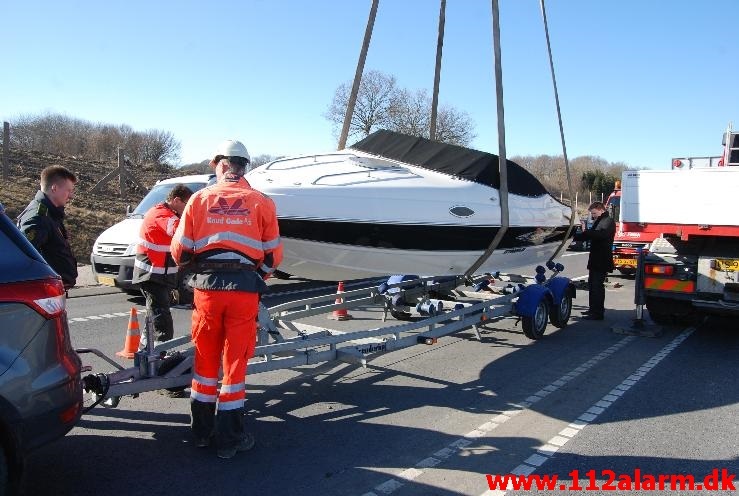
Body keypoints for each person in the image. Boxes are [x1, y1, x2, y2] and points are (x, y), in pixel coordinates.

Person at [170, 139, 283, 459]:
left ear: (219, 165)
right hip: (244, 292)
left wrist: (197, 270)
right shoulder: (262, 201)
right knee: (234, 364)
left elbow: (180, 251)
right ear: (244, 167)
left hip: (207, 291)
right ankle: (230, 439)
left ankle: (202, 433)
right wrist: (257, 275)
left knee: (205, 360)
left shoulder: (198, 199)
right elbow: (274, 255)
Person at [132, 184, 193, 350]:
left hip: (159, 275)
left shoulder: (168, 213)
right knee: (162, 319)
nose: (188, 209)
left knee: (154, 313)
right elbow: (179, 232)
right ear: (176, 200)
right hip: (152, 275)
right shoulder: (162, 214)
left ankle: (146, 350)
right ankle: (159, 354)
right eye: (186, 205)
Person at [17, 165, 79, 290]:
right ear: (54, 188)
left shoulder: (51, 213)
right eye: (68, 190)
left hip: (53, 289)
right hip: (44, 292)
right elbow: (24, 257)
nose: (71, 196)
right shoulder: (38, 217)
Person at [573, 201, 616, 320]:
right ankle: (593, 310)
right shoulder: (600, 220)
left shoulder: (608, 221)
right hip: (596, 258)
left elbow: (600, 235)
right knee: (592, 285)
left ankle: (597, 313)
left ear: (601, 209)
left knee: (597, 286)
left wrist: (586, 230)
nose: (593, 215)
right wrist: (572, 236)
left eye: (594, 213)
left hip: (601, 259)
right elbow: (589, 235)